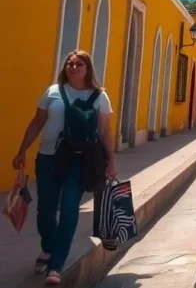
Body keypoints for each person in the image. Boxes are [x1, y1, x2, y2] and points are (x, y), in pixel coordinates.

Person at [12, 50, 116, 286]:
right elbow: (37, 122)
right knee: (45, 211)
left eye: (79, 64)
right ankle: (48, 247)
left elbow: (105, 131)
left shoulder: (100, 96)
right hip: (48, 158)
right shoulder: (52, 92)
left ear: (87, 69)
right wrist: (22, 150)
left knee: (69, 209)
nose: (74, 67)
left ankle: (55, 265)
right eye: (70, 64)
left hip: (79, 161)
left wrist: (111, 160)